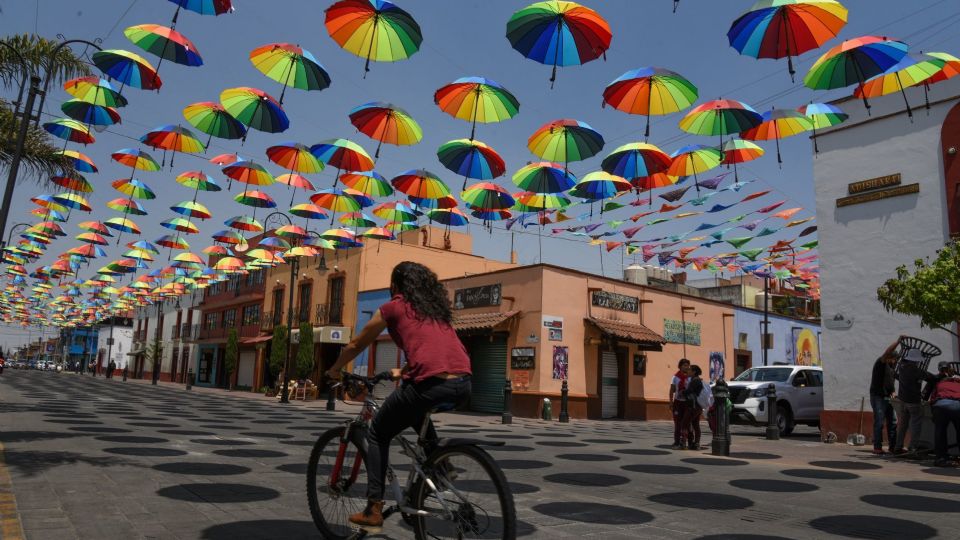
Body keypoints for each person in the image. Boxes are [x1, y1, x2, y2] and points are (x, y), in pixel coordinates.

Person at [324, 261, 472, 530]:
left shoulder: (393, 307)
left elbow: (358, 343)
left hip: (430, 385)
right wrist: (402, 371)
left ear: (395, 286)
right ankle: (442, 466)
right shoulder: (434, 311)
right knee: (413, 407)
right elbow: (433, 351)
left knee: (378, 432)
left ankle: (373, 509)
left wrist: (334, 369)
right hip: (463, 384)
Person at [893, 348, 933, 455]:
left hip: (902, 400)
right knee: (915, 425)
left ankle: (898, 446)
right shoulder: (917, 371)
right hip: (913, 401)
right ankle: (912, 448)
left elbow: (900, 365)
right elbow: (930, 377)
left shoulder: (901, 367)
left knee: (903, 425)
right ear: (916, 360)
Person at [869, 339, 899, 455]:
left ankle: (893, 447)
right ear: (890, 357)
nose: (895, 362)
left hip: (888, 398)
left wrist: (893, 392)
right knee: (879, 422)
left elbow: (890, 383)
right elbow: (888, 351)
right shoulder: (881, 363)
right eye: (894, 359)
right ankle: (877, 446)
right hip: (878, 397)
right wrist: (898, 341)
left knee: (893, 422)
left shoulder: (892, 368)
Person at [928, 361, 960, 467]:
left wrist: (934, 415)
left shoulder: (939, 383)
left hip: (941, 406)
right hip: (958, 406)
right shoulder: (958, 382)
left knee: (940, 432)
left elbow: (932, 399)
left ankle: (941, 458)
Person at [682, 365, 705, 450]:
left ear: (694, 372)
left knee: (685, 424)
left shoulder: (695, 380)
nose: (687, 371)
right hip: (697, 406)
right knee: (695, 425)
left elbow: (689, 391)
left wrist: (683, 392)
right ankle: (696, 443)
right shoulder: (697, 380)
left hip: (693, 406)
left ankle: (684, 443)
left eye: (689, 370)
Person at [669, 358, 691, 450]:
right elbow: (672, 390)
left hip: (687, 403)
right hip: (678, 403)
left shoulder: (690, 377)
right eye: (684, 365)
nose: (686, 367)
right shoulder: (675, 377)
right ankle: (677, 442)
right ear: (680, 366)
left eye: (687, 365)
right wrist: (671, 402)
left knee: (686, 423)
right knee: (677, 423)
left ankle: (687, 442)